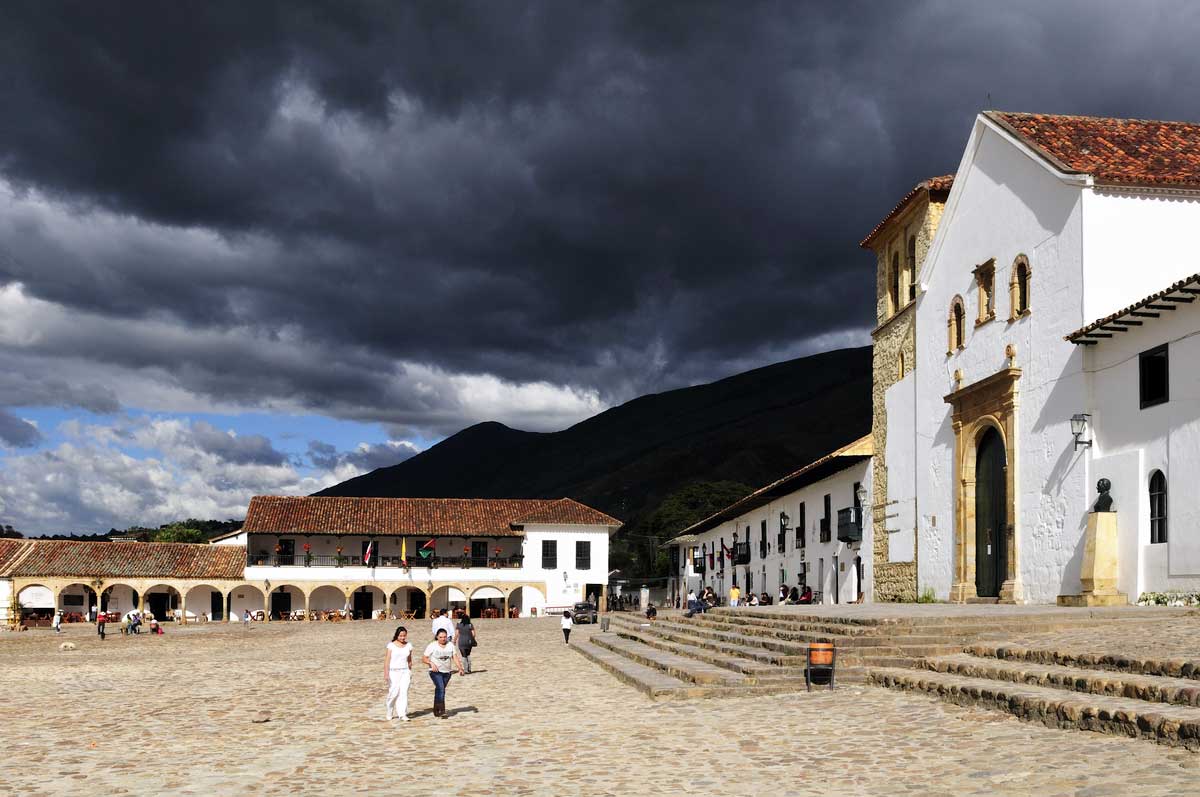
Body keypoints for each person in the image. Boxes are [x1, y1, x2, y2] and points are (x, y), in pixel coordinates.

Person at [422, 628, 464, 719]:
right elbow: (424, 658)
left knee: (440, 690)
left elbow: (455, 657)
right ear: (437, 637)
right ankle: (442, 711)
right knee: (441, 689)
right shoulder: (432, 645)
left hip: (447, 672)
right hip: (435, 672)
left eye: (445, 637)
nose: (443, 639)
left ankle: (436, 709)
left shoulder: (450, 645)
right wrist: (431, 663)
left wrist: (460, 668)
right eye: (441, 637)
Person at [384, 626, 413, 721]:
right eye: (400, 636)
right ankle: (389, 710)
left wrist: (409, 671)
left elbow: (409, 660)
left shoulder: (409, 645)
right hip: (393, 671)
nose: (402, 638)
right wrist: (386, 673)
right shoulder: (391, 645)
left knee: (403, 692)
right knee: (394, 692)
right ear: (397, 635)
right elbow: (387, 660)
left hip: (405, 671)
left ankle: (402, 714)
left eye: (404, 636)